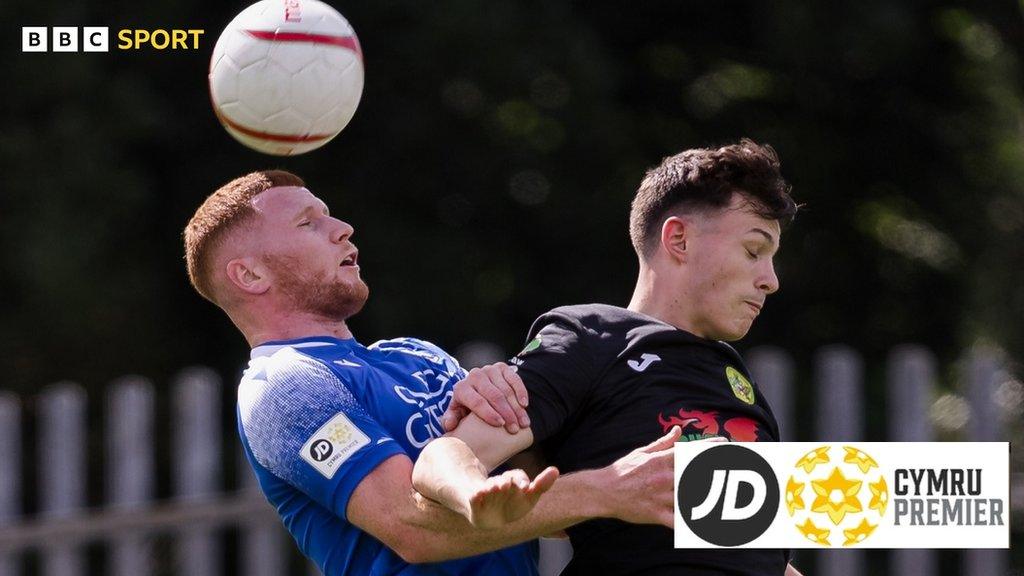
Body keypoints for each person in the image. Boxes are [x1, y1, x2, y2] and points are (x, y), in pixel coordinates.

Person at [182, 170, 686, 575]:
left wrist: (514, 408)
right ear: (250, 274)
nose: (343, 228)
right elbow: (414, 530)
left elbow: (528, 503)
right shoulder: (283, 387)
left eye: (330, 215)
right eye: (308, 224)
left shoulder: (416, 355)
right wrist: (608, 489)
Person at [415, 139, 805, 575]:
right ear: (678, 239)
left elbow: (761, 556)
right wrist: (474, 494)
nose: (770, 280)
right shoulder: (593, 337)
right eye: (754, 251)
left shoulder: (738, 380)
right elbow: (444, 454)